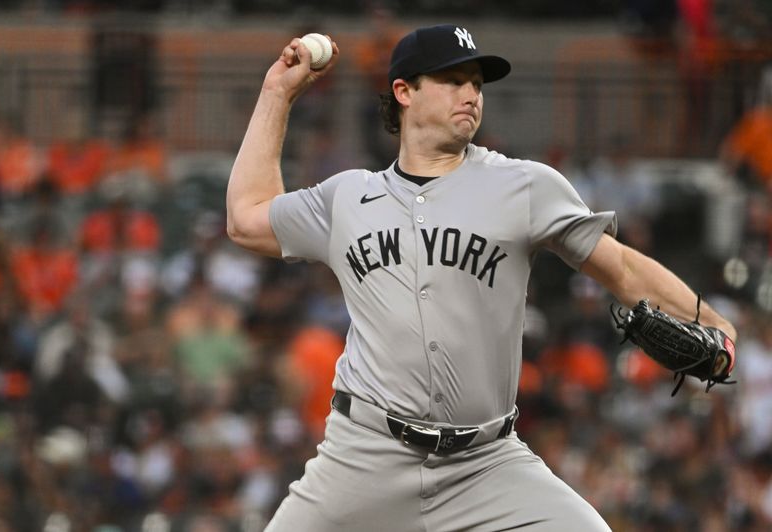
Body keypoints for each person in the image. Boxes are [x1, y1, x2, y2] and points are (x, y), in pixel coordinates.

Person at [226, 24, 738, 531]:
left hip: (486, 464)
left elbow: (621, 267)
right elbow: (247, 217)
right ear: (404, 92)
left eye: (476, 82)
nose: (470, 93)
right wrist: (277, 93)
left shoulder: (523, 186)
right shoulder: (346, 198)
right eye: (453, 80)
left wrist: (714, 322)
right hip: (362, 458)